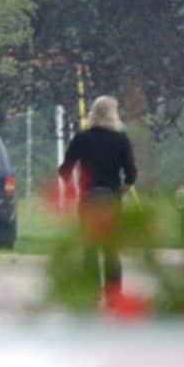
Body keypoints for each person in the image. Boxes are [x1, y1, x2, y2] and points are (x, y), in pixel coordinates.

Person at [57, 96, 137, 299]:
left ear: (93, 113)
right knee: (111, 249)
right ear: (113, 114)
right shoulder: (121, 140)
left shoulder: (82, 138)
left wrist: (72, 188)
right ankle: (114, 295)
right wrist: (121, 191)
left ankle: (91, 292)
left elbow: (65, 169)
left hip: (89, 199)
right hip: (110, 199)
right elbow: (131, 174)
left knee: (90, 248)